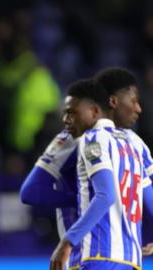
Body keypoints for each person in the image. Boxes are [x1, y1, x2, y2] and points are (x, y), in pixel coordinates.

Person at [21, 68, 153, 268]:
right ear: (112, 101)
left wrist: (81, 202)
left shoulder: (78, 138)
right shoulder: (136, 143)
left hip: (88, 254)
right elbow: (148, 199)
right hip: (130, 258)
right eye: (134, 101)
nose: (138, 109)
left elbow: (31, 192)